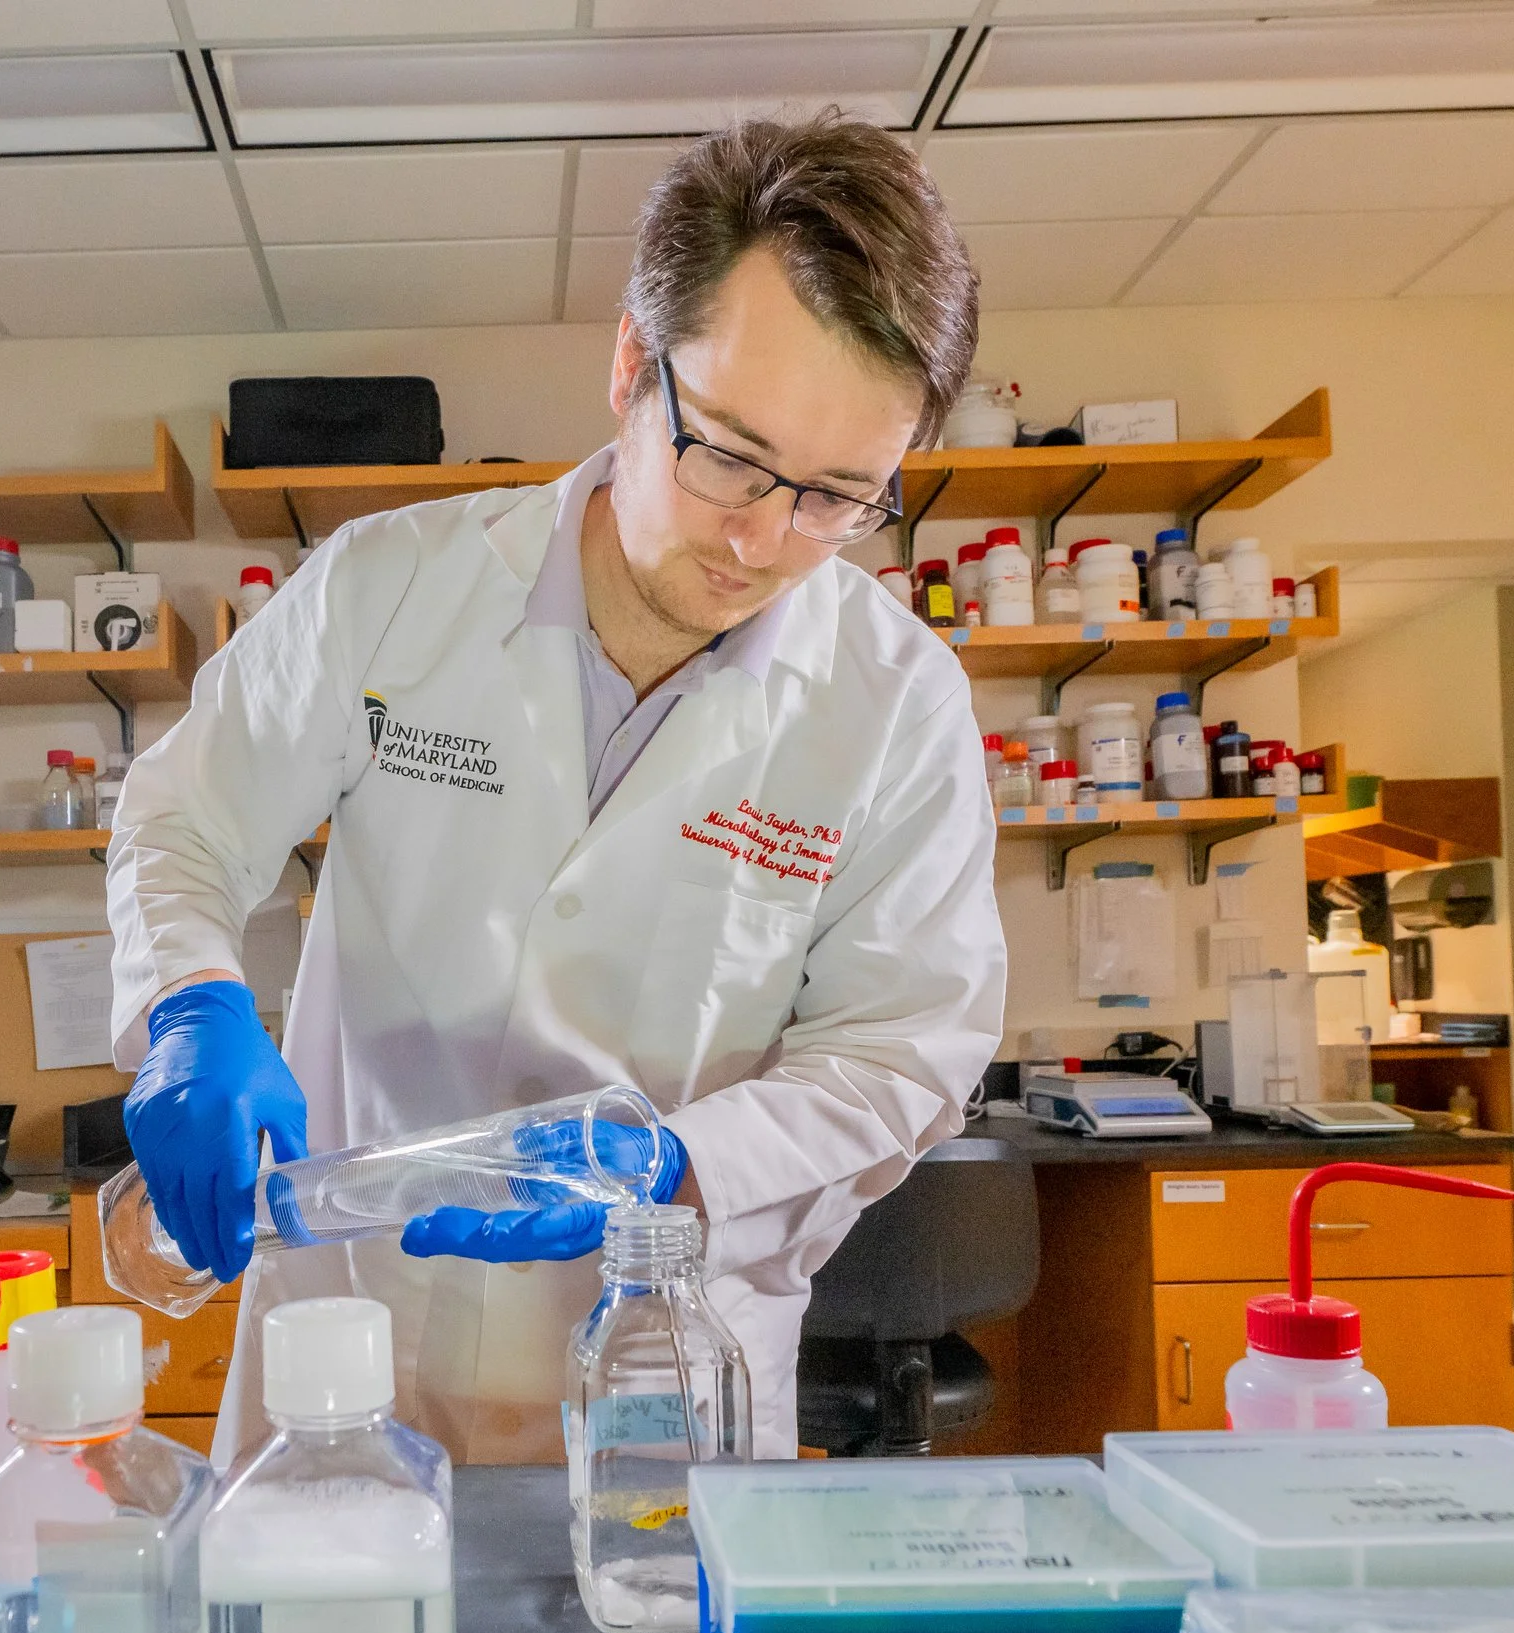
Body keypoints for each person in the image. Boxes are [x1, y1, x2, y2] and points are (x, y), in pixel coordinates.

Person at [106, 111, 1005, 1465]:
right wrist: (190, 1000)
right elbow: (191, 813)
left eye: (836, 495)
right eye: (732, 457)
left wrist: (684, 1166)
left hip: (667, 1364)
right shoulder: (390, 586)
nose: (764, 538)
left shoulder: (897, 707)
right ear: (633, 363)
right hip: (355, 1349)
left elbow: (902, 1051)